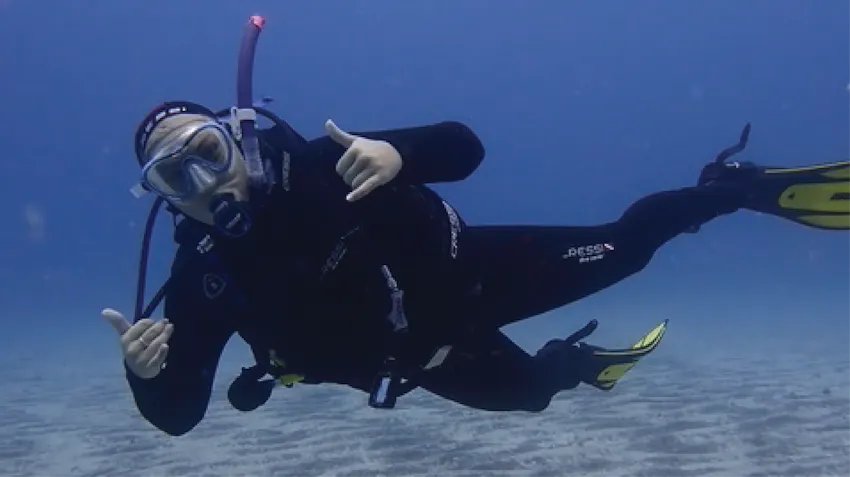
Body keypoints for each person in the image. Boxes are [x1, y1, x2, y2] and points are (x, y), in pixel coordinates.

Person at [103, 18, 850, 437]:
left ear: (236, 136)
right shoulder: (204, 277)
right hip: (420, 357)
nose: (204, 181)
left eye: (206, 152)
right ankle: (576, 360)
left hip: (480, 272)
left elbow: (466, 147)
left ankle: (731, 191)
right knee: (530, 395)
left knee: (628, 245)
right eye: (175, 176)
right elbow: (178, 415)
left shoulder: (322, 160)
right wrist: (146, 379)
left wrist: (404, 152)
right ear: (162, 196)